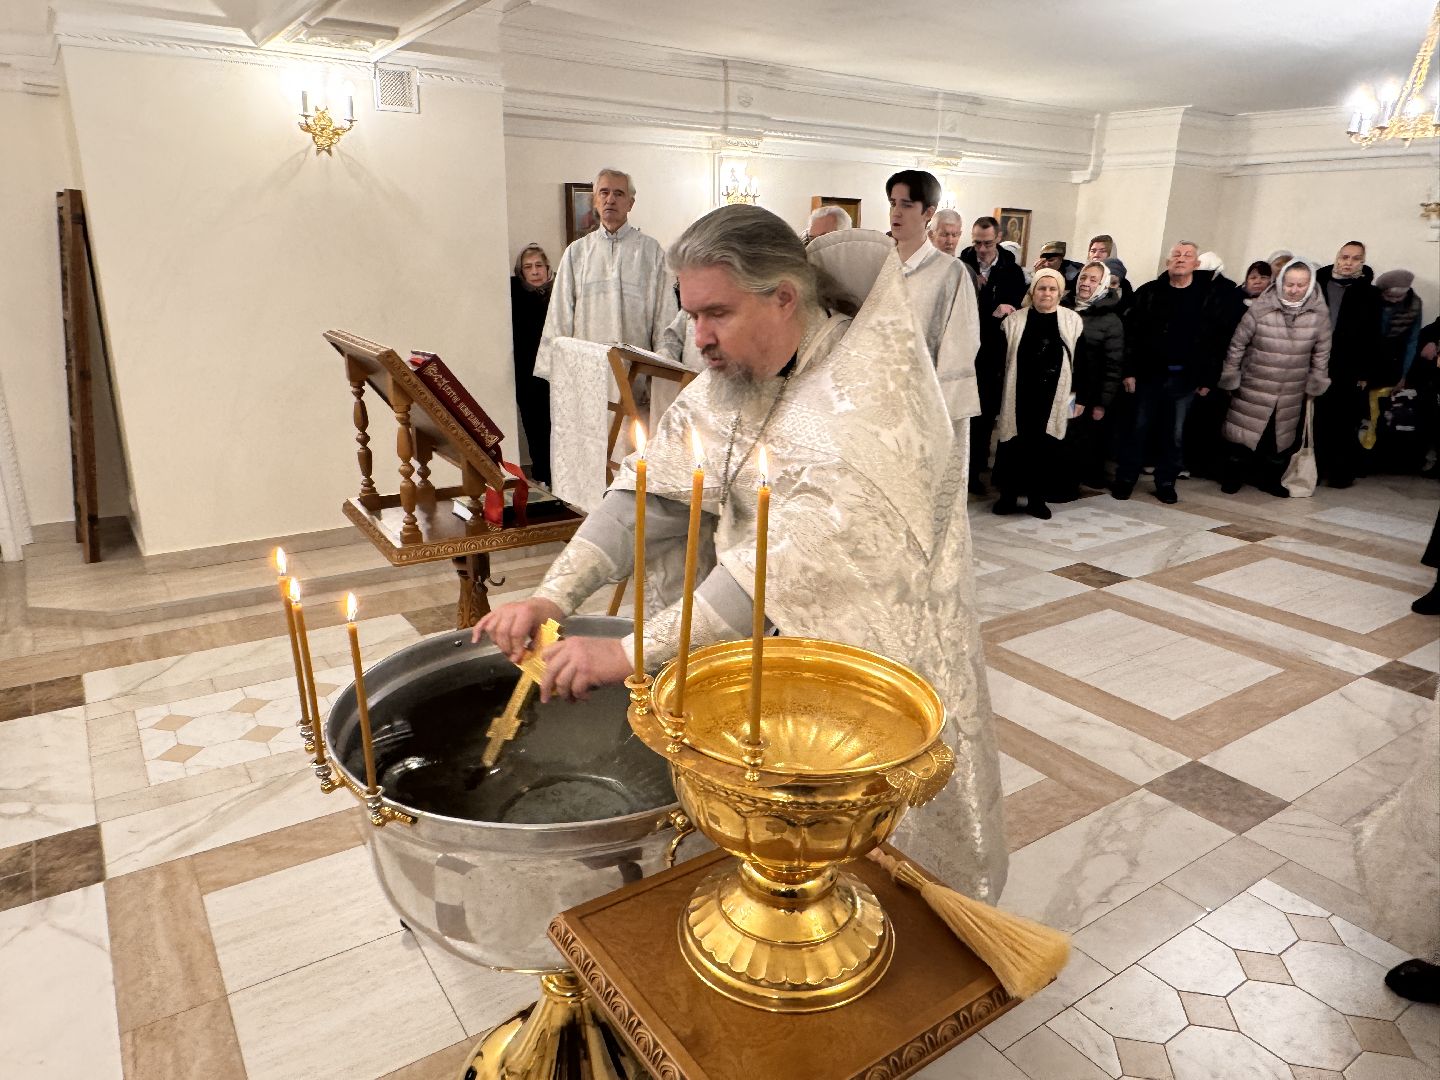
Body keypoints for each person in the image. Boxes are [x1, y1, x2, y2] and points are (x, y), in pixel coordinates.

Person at [473, 204, 1008, 901]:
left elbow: (788, 574)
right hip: (748, 641)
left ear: (783, 296)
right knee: (753, 845)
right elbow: (654, 495)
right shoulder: (743, 369)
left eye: (715, 314)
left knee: (860, 879)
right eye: (690, 315)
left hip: (860, 667)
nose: (699, 339)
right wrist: (554, 594)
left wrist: (627, 653)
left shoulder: (865, 402)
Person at [1112, 240, 1229, 504]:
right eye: (1176, 254)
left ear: (1196, 265)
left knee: (1174, 435)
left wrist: (1208, 378)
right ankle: (1126, 478)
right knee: (1137, 429)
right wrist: (1128, 371)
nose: (1181, 259)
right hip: (1148, 375)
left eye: (1187, 255)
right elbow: (1130, 335)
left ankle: (1166, 481)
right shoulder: (1149, 292)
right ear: (1167, 262)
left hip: (1185, 378)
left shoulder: (1207, 297)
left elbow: (1215, 341)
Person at [538, 168, 678, 366]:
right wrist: (560, 368)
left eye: (619, 193)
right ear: (595, 200)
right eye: (604, 192)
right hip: (587, 369)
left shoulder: (650, 251)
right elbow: (560, 317)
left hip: (636, 372)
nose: (610, 199)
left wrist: (663, 367)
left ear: (630, 203)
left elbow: (665, 314)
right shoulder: (576, 253)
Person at [1217, 259, 1331, 497]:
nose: (1294, 289)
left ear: (1310, 285)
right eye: (1290, 284)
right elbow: (1238, 344)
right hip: (1255, 381)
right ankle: (1232, 477)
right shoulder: (1261, 308)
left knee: (1279, 439)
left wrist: (1317, 379)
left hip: (1292, 387)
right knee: (1242, 433)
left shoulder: (1319, 314)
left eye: (1301, 285)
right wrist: (1231, 373)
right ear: (1281, 282)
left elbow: (1322, 351)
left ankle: (1269, 479)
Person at [885, 169, 982, 424]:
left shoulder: (950, 272)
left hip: (924, 399)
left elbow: (963, 341)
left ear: (928, 212)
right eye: (893, 203)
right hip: (879, 394)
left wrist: (940, 411)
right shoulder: (880, 264)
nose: (896, 212)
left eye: (907, 205)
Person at [992, 268, 1085, 519]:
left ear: (1060, 292)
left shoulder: (1072, 321)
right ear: (1032, 291)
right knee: (1013, 444)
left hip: (1055, 396)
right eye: (1041, 288)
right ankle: (1008, 496)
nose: (1046, 293)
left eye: (1052, 289)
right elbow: (999, 362)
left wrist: (1079, 400)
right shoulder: (1014, 321)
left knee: (1046, 447)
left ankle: (1037, 499)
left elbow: (1084, 364)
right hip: (1018, 394)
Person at [960, 216, 1029, 494]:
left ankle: (975, 473)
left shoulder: (1011, 272)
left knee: (983, 417)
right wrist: (991, 311)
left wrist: (995, 310)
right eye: (977, 242)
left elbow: (1010, 313)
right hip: (963, 350)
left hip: (991, 356)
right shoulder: (961, 265)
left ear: (998, 238)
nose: (982, 249)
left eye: (987, 243)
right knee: (960, 416)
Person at [1314, 241, 1382, 487]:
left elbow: (1373, 335)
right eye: (1344, 257)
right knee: (1315, 418)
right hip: (1316, 361)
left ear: (1362, 262)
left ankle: (1339, 472)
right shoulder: (1318, 285)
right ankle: (1313, 469)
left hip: (1348, 365)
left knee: (1342, 420)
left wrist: (1365, 371)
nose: (1348, 263)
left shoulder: (1370, 293)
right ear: (1337, 257)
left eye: (1355, 258)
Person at [1060, 260, 1124, 493]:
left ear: (1104, 285)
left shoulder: (1110, 320)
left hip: (1085, 391)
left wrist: (1102, 402)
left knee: (1073, 438)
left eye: (1093, 280)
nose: (1086, 283)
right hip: (1058, 385)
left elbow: (1113, 364)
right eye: (1084, 278)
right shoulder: (1062, 306)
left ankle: (1066, 487)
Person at [511, 244, 555, 485]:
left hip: (557, 374)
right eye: (528, 267)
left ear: (548, 269)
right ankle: (542, 477)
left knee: (557, 428)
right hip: (527, 376)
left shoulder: (558, 295)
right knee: (535, 428)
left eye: (539, 265)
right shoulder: (516, 297)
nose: (535, 271)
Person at [1377, 269, 1424, 389]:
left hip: (1394, 356)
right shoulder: (1372, 301)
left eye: (1399, 296)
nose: (1395, 300)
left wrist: (1403, 375)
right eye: (1389, 296)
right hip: (1371, 352)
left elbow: (1412, 341)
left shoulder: (1414, 305)